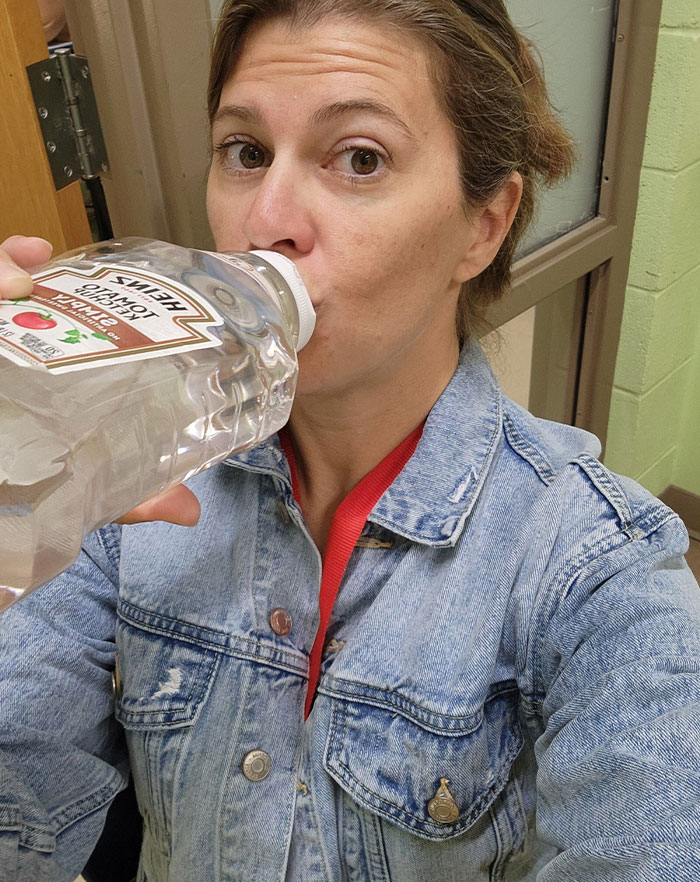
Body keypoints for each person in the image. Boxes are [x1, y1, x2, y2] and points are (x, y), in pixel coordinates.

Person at [1, 1, 699, 880]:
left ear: (483, 224)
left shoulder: (596, 567)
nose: (267, 220)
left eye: (359, 159)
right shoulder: (131, 478)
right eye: (245, 152)